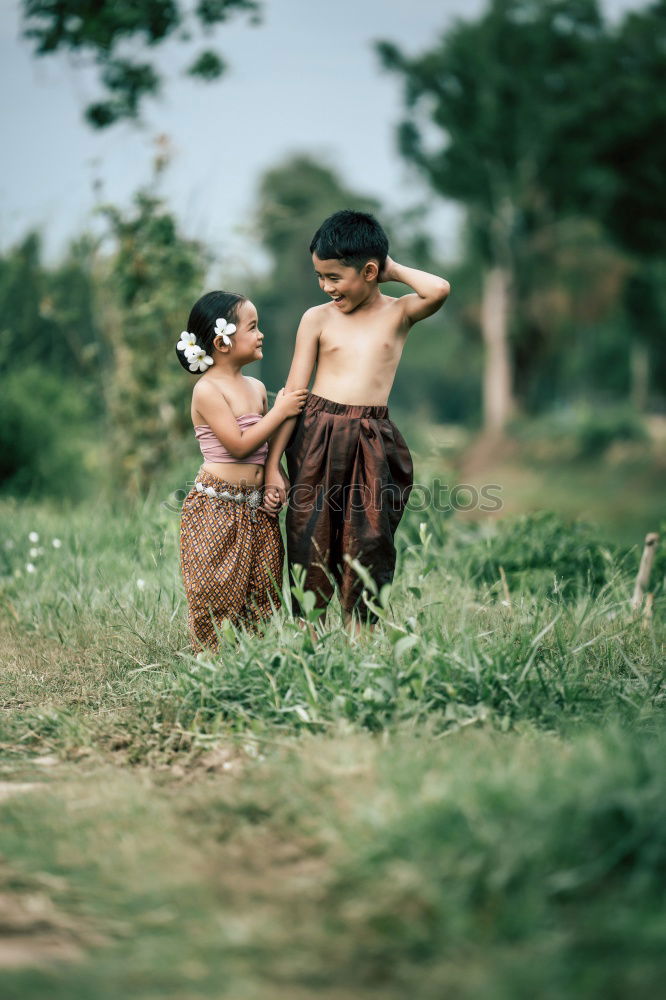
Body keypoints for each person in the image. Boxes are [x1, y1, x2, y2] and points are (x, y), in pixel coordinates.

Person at [264, 210, 450, 626]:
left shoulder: (399, 313)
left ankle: (359, 633)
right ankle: (307, 632)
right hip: (316, 435)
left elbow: (439, 289)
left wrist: (389, 267)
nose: (325, 287)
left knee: (370, 537)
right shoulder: (316, 319)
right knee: (309, 532)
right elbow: (292, 396)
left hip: (371, 436)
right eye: (320, 277)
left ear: (369, 271)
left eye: (333, 277)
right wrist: (274, 463)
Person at [177, 290, 308, 649]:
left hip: (256, 507)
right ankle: (212, 656)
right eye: (252, 327)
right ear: (222, 342)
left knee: (261, 584)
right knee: (216, 584)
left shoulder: (257, 387)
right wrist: (280, 413)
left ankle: (253, 655)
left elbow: (264, 447)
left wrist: (273, 473)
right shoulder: (207, 390)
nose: (260, 334)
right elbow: (238, 445)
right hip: (217, 505)